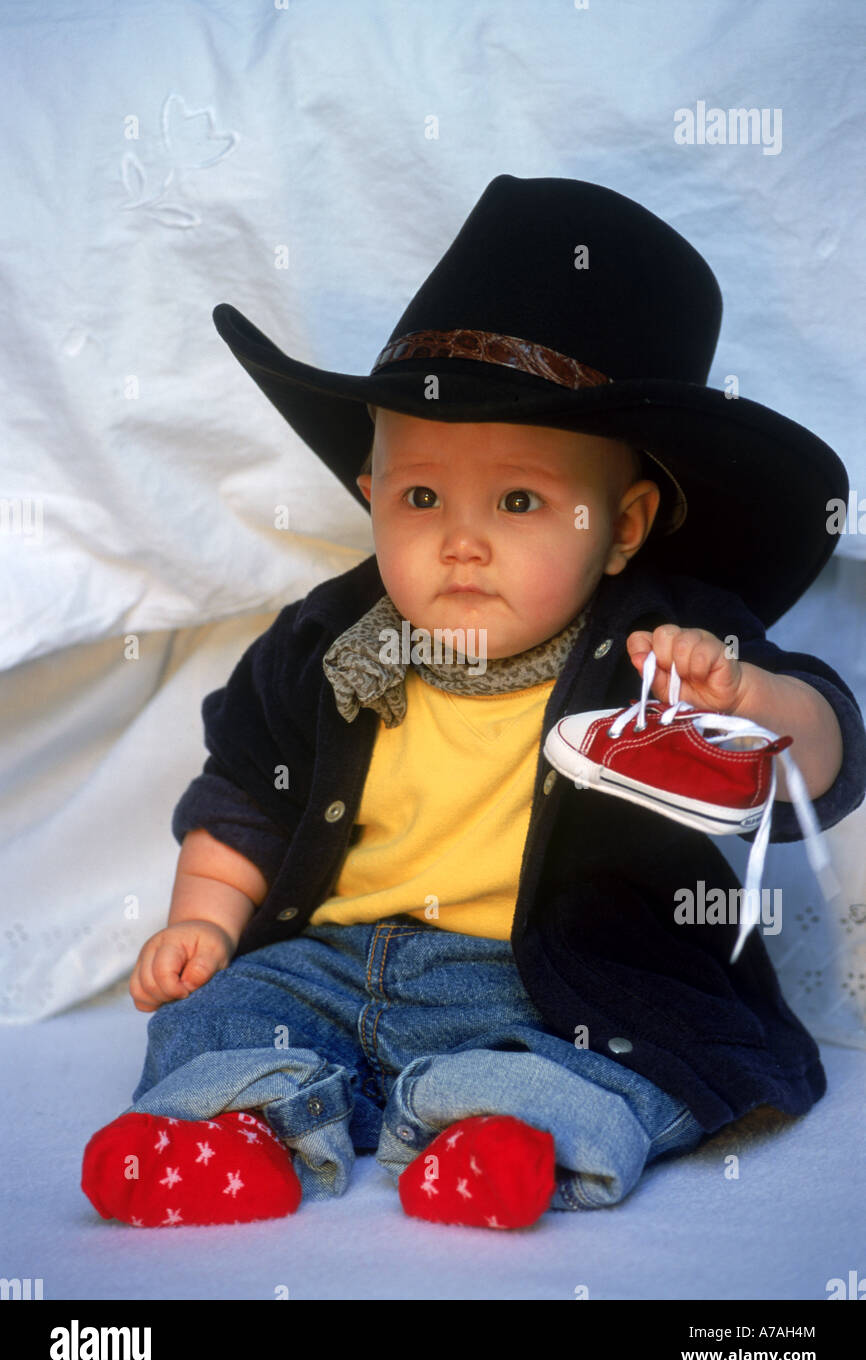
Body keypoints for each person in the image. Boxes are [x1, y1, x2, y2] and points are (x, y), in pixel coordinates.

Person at [81, 176, 866, 1231]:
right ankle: (238, 1131)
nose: (459, 538)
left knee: (640, 1051)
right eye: (418, 497)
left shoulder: (662, 642)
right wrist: (203, 920)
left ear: (622, 526)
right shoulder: (330, 644)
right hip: (330, 957)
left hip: (547, 976)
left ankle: (502, 1127)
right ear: (370, 492)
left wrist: (747, 698)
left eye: (518, 499)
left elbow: (818, 755)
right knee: (221, 1016)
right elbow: (241, 798)